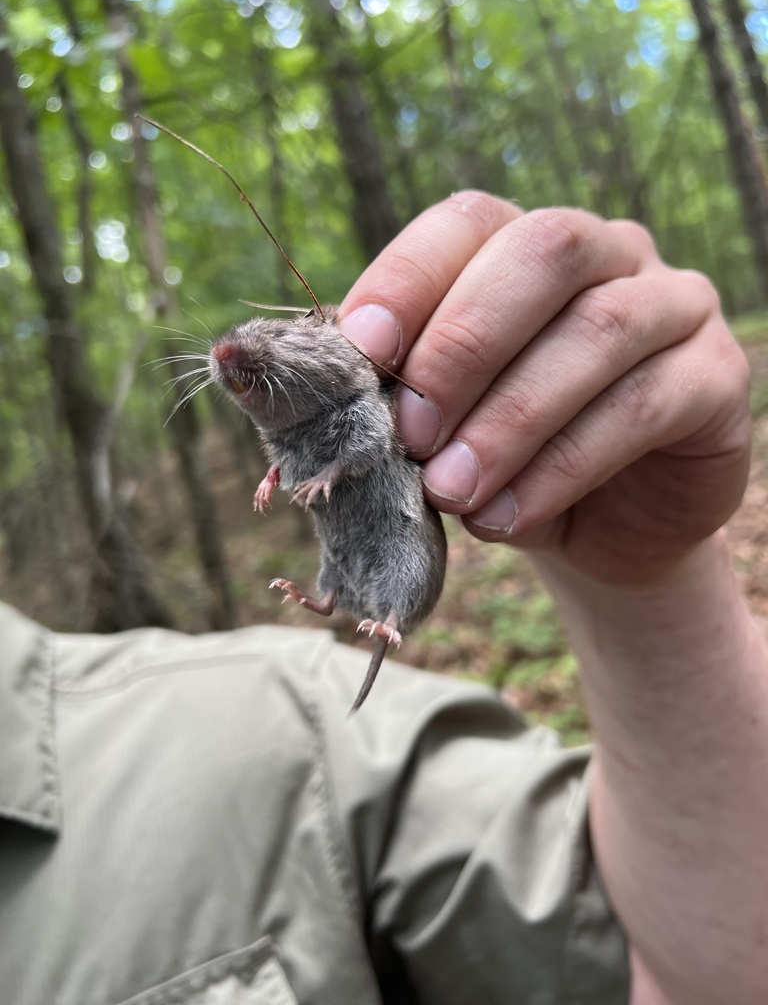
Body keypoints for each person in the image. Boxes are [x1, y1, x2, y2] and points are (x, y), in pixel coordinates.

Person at [0, 193, 762, 1005]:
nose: (227, 357)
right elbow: (294, 454)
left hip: (393, 542)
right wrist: (286, 471)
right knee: (343, 570)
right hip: (351, 546)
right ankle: (343, 603)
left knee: (374, 568)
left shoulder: (287, 733)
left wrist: (648, 586)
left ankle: (371, 612)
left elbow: (699, 967)